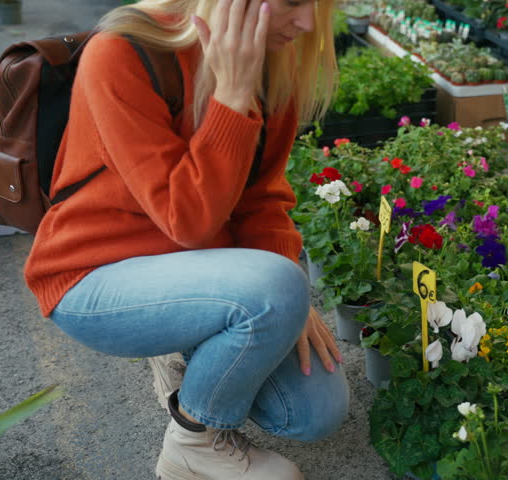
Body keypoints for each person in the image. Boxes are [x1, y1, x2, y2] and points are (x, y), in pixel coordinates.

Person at [22, 0, 348, 478]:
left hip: (204, 267)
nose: (305, 24)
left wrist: (288, 303)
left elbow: (262, 197)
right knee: (277, 286)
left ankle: (199, 330)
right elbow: (187, 219)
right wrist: (232, 95)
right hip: (93, 276)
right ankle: (194, 442)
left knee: (315, 414)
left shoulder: (272, 65)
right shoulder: (121, 51)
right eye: (294, 3)